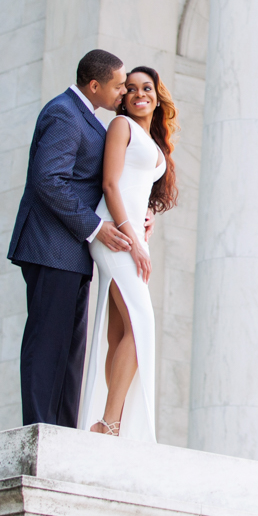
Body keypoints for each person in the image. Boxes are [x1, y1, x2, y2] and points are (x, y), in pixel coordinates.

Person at [10, 49, 134, 429]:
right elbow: (48, 179)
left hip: (72, 253)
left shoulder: (88, 118)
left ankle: (61, 430)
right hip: (51, 247)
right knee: (48, 342)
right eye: (118, 86)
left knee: (69, 348)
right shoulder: (64, 113)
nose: (123, 93)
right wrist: (96, 228)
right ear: (94, 85)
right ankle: (40, 429)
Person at [79, 65, 178, 439]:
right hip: (115, 237)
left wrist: (148, 215)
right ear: (123, 96)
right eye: (131, 88)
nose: (139, 94)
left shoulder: (152, 140)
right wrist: (130, 235)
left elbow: (138, 186)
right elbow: (109, 183)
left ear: (157, 94)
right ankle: (110, 423)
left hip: (131, 232)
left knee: (121, 331)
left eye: (147, 88)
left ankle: (108, 422)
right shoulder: (121, 127)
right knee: (141, 324)